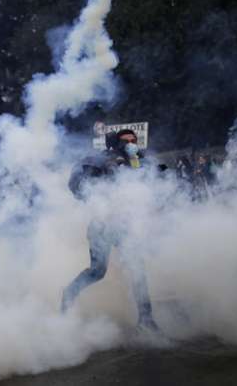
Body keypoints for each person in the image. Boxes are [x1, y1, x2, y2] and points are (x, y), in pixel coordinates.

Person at [62, 129, 159, 331]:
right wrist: (95, 197)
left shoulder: (138, 160)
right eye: (127, 141)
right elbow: (75, 182)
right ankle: (68, 295)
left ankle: (146, 320)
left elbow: (156, 178)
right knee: (97, 272)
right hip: (102, 226)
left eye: (134, 140)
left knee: (137, 270)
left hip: (125, 226)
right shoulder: (100, 160)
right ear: (116, 143)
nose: (132, 143)